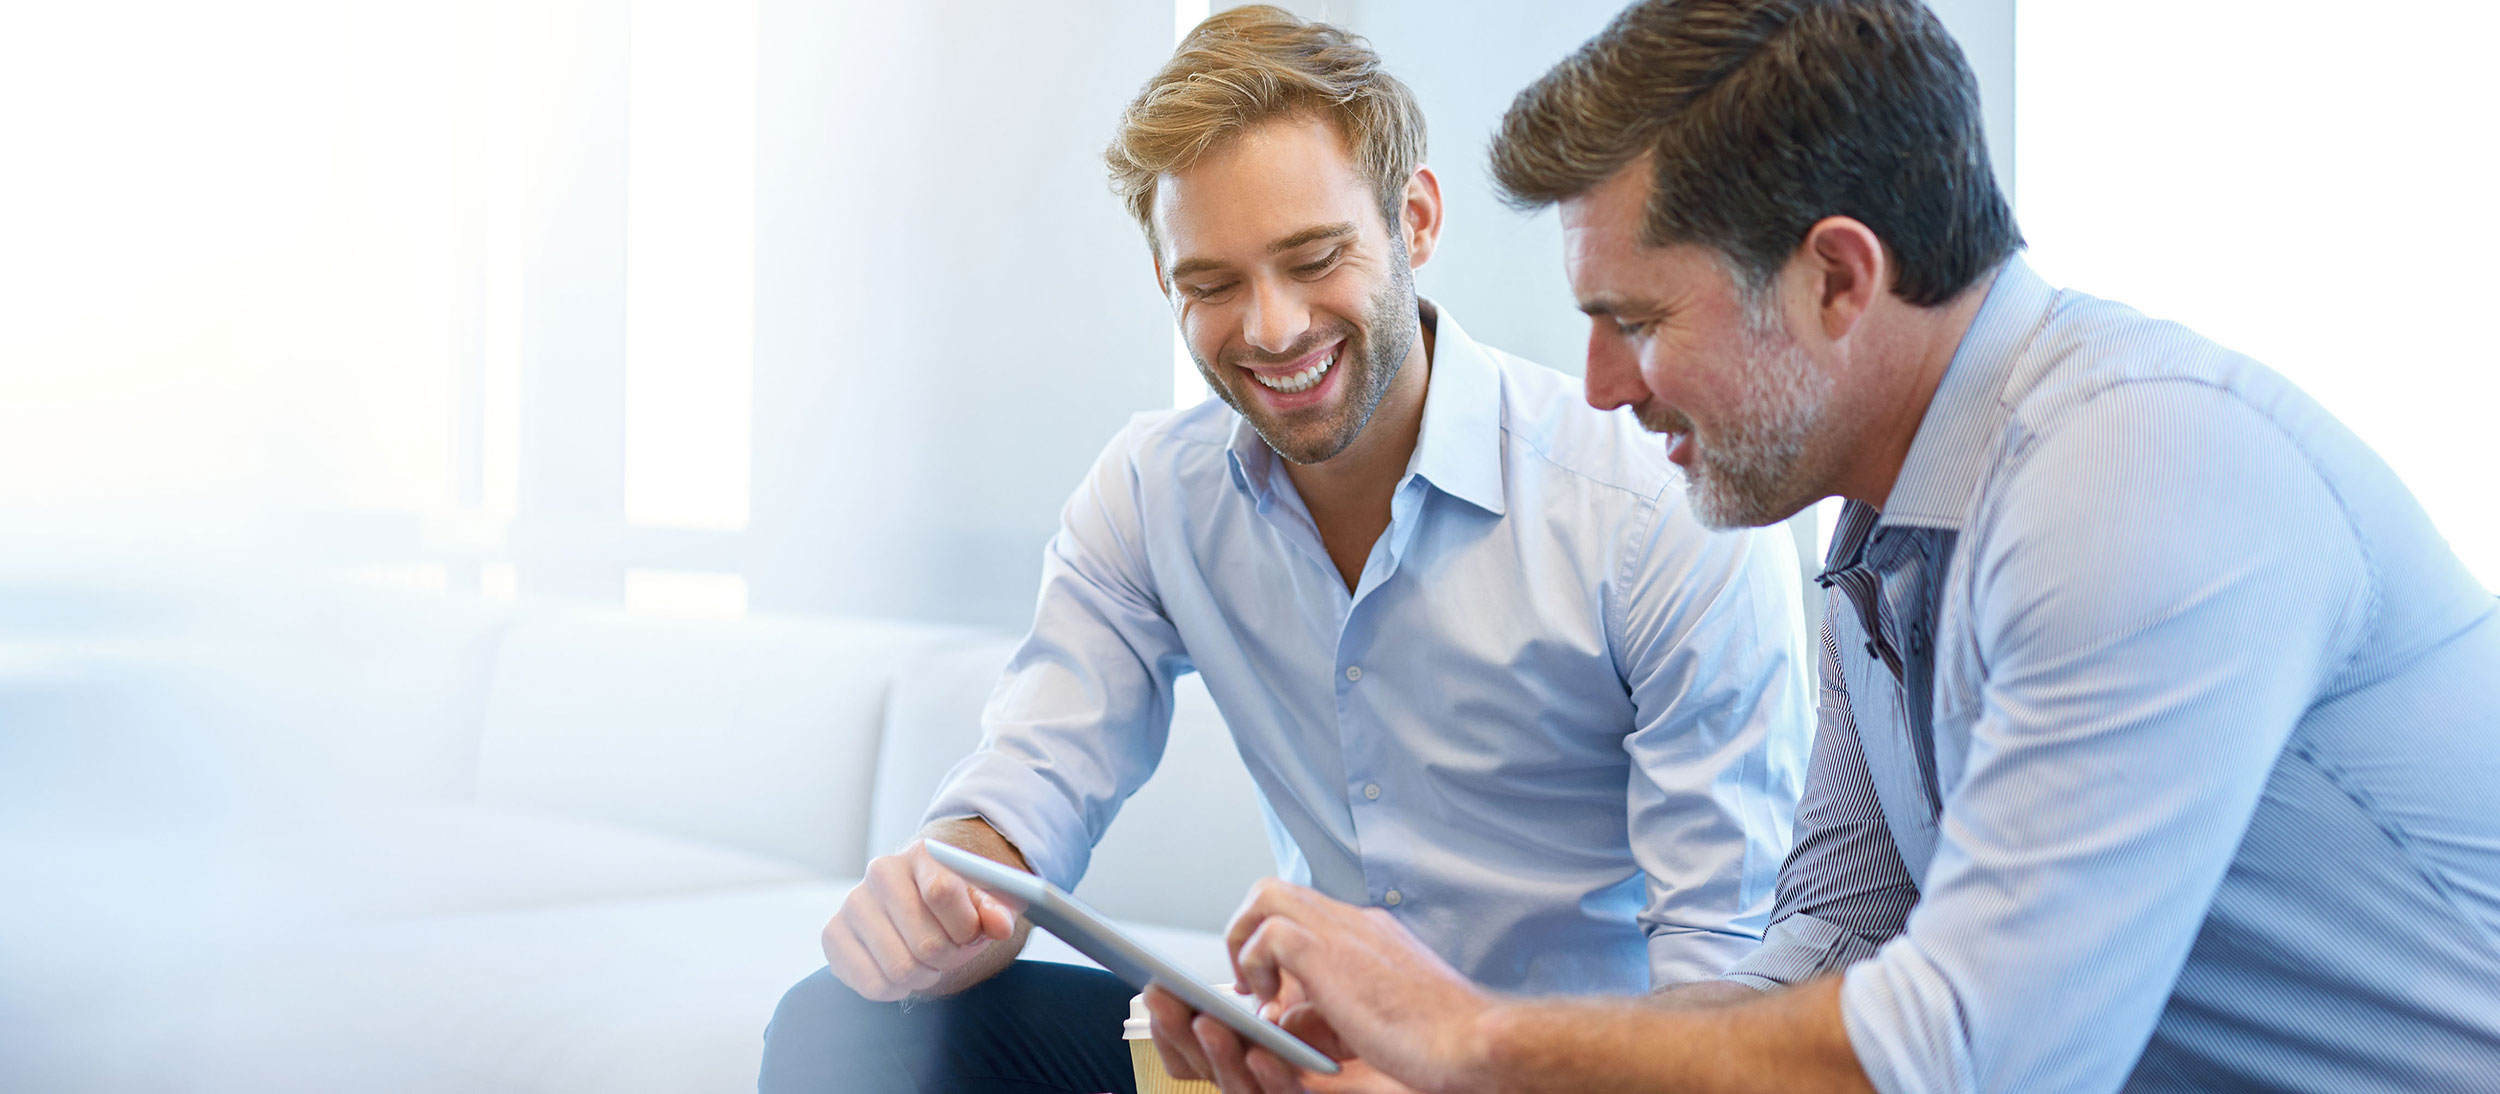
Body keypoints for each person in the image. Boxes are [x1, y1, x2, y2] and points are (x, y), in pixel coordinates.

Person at [1158, 1, 2500, 1092]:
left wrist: (1475, 1037)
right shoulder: (1894, 522)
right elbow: (1837, 937)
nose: (1605, 385)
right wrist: (1439, 1057)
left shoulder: (2136, 473)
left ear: (1839, 277)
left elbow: (1962, 1054)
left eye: (1634, 318)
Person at [758, 8, 1814, 1093]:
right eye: (1210, 284)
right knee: (852, 1025)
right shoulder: (1151, 496)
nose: (1268, 328)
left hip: (1570, 1079)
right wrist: (953, 897)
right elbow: (1029, 785)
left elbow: (1727, 991)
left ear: (1415, 218)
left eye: (1313, 259)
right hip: (1312, 1066)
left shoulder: (1652, 510)